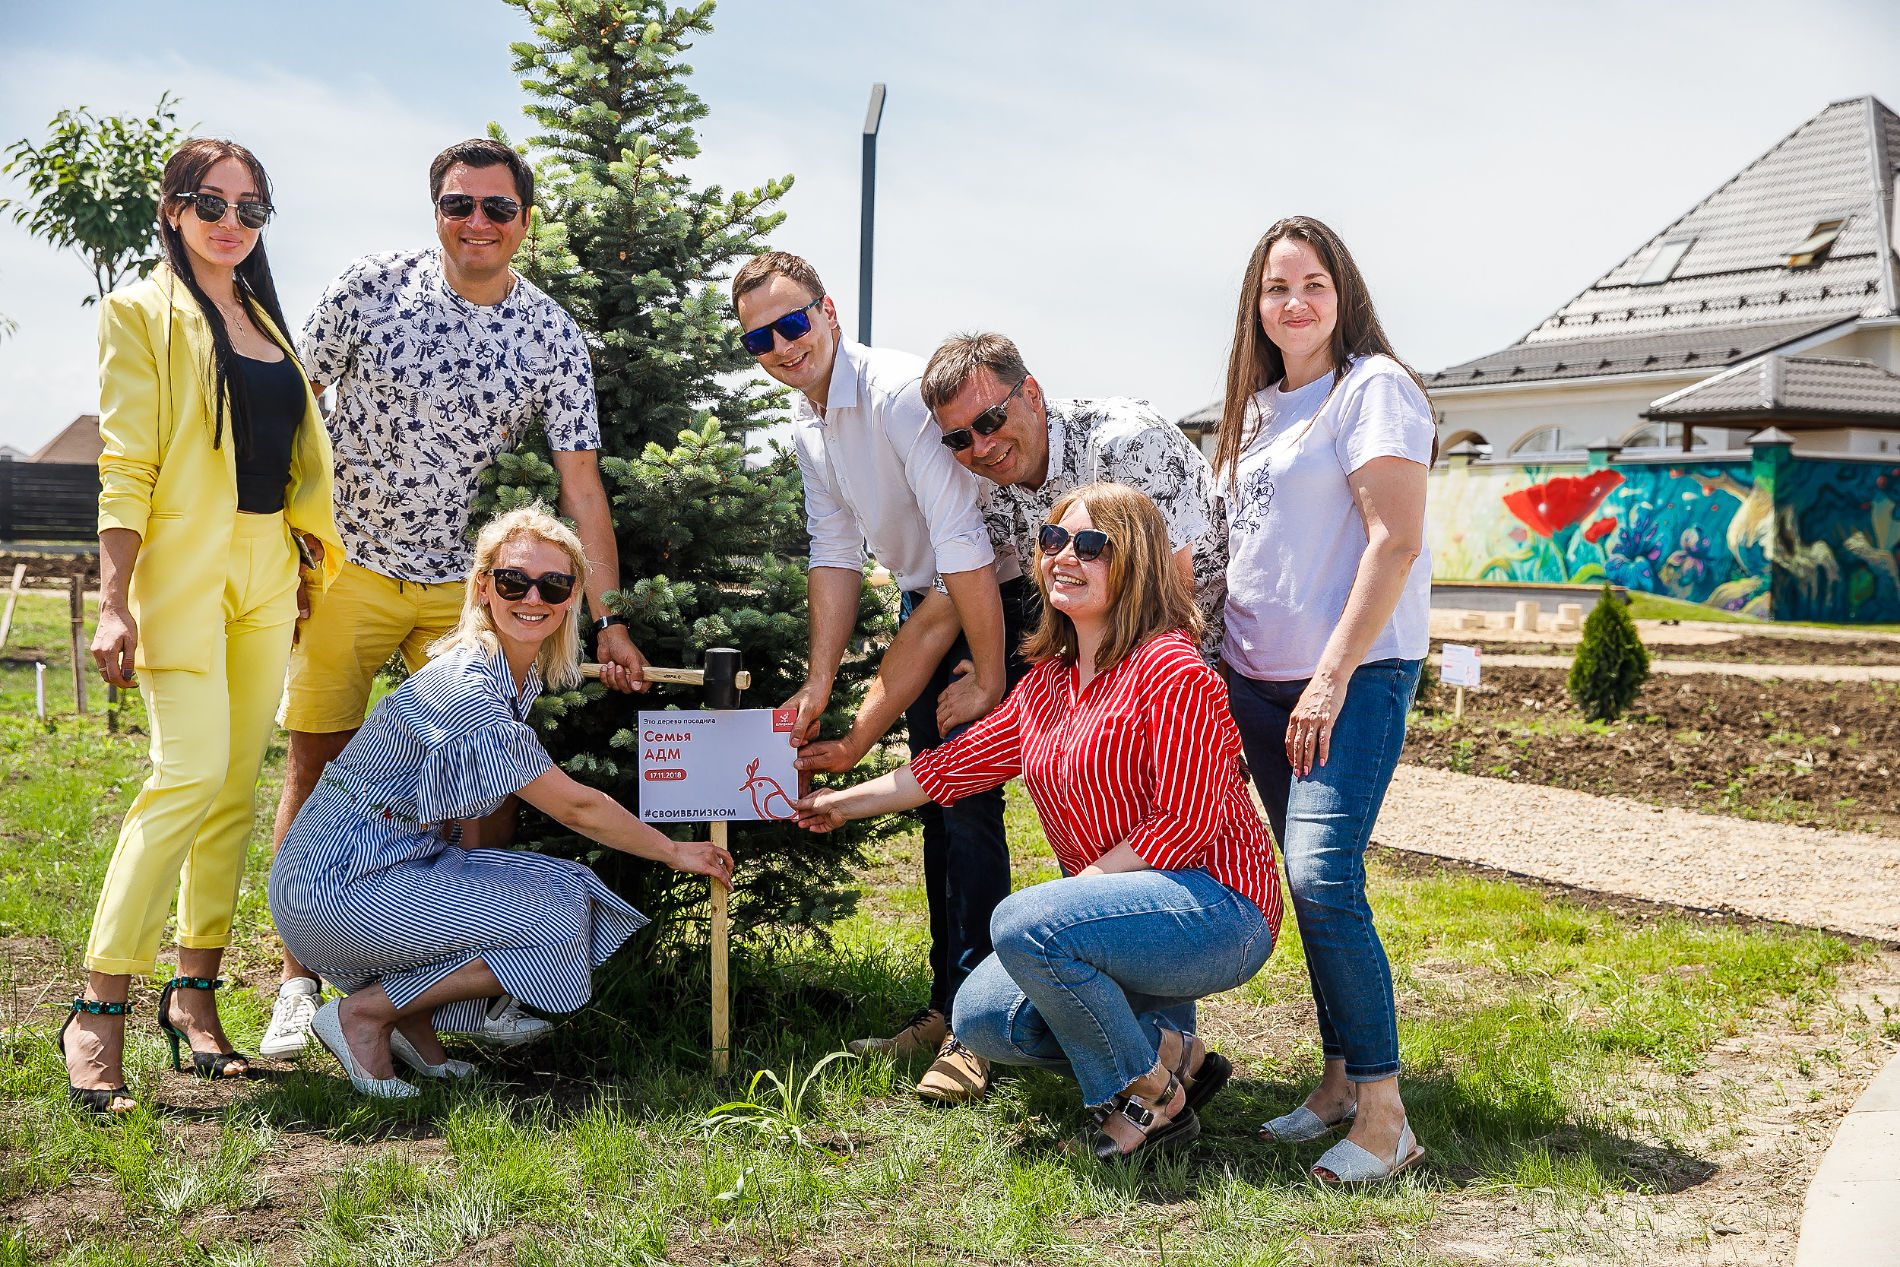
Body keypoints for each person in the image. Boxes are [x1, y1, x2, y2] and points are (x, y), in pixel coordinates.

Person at [261, 138, 650, 1059]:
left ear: (525, 220)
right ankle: (296, 984)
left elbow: (582, 482)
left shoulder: (550, 333)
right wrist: (276, 544)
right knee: (317, 760)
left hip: (466, 590)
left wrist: (610, 616)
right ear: (434, 209)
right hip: (345, 565)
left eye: (497, 208)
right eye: (458, 204)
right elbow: (288, 407)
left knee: (488, 775)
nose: (478, 222)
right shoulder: (368, 287)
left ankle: (447, 995)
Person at [793, 483, 1280, 1159]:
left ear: (1135, 563)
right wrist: (838, 802)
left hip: (1218, 911)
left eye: (1091, 545)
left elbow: (1185, 825)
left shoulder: (1172, 669)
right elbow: (950, 767)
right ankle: (1170, 1052)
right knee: (981, 1018)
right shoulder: (1049, 682)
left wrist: (1072, 897)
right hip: (1117, 913)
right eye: (1054, 539)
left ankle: (1148, 1099)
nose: (1064, 556)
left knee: (1025, 921)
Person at [61, 138, 346, 1115]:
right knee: (183, 775)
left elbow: (289, 453)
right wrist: (113, 599)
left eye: (250, 207)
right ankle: (97, 1008)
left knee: (230, 790)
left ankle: (194, 996)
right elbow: (126, 462)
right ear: (173, 209)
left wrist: (298, 558)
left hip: (269, 567)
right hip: (184, 572)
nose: (232, 222)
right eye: (211, 202)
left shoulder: (263, 317)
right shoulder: (139, 311)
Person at [267, 505, 733, 1099]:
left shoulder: (512, 671)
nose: (533, 597)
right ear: (483, 587)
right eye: (514, 581)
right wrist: (674, 851)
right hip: (336, 886)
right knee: (553, 921)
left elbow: (457, 795)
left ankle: (410, 1022)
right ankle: (363, 1015)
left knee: (568, 889)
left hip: (388, 861)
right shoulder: (470, 691)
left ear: (571, 597)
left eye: (554, 584)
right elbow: (576, 808)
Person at [731, 251, 1013, 1092]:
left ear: (828, 314)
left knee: (968, 804)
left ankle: (983, 1031)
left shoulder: (895, 393)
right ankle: (947, 1004)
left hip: (996, 593)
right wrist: (820, 681)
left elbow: (965, 542)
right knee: (941, 809)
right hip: (934, 598)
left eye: (791, 323)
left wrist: (988, 674)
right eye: (758, 339)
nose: (781, 347)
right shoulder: (808, 425)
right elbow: (834, 552)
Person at [1213, 216, 1433, 1184]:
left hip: (1349, 680)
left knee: (1319, 875)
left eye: (1312, 284)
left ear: (1342, 294)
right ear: (1255, 306)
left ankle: (1386, 1116)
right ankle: (1340, 1079)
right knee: (1313, 887)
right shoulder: (1255, 411)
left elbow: (1394, 541)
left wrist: (1331, 680)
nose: (1294, 302)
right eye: (1276, 288)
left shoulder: (1371, 388)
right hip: (1256, 683)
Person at [796, 331, 1226, 785]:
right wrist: (853, 744)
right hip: (1122, 681)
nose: (981, 447)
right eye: (958, 438)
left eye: (990, 420)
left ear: (1032, 394)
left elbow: (1176, 603)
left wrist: (1098, 712)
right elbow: (934, 620)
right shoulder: (987, 492)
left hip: (1214, 665)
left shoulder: (1127, 445)